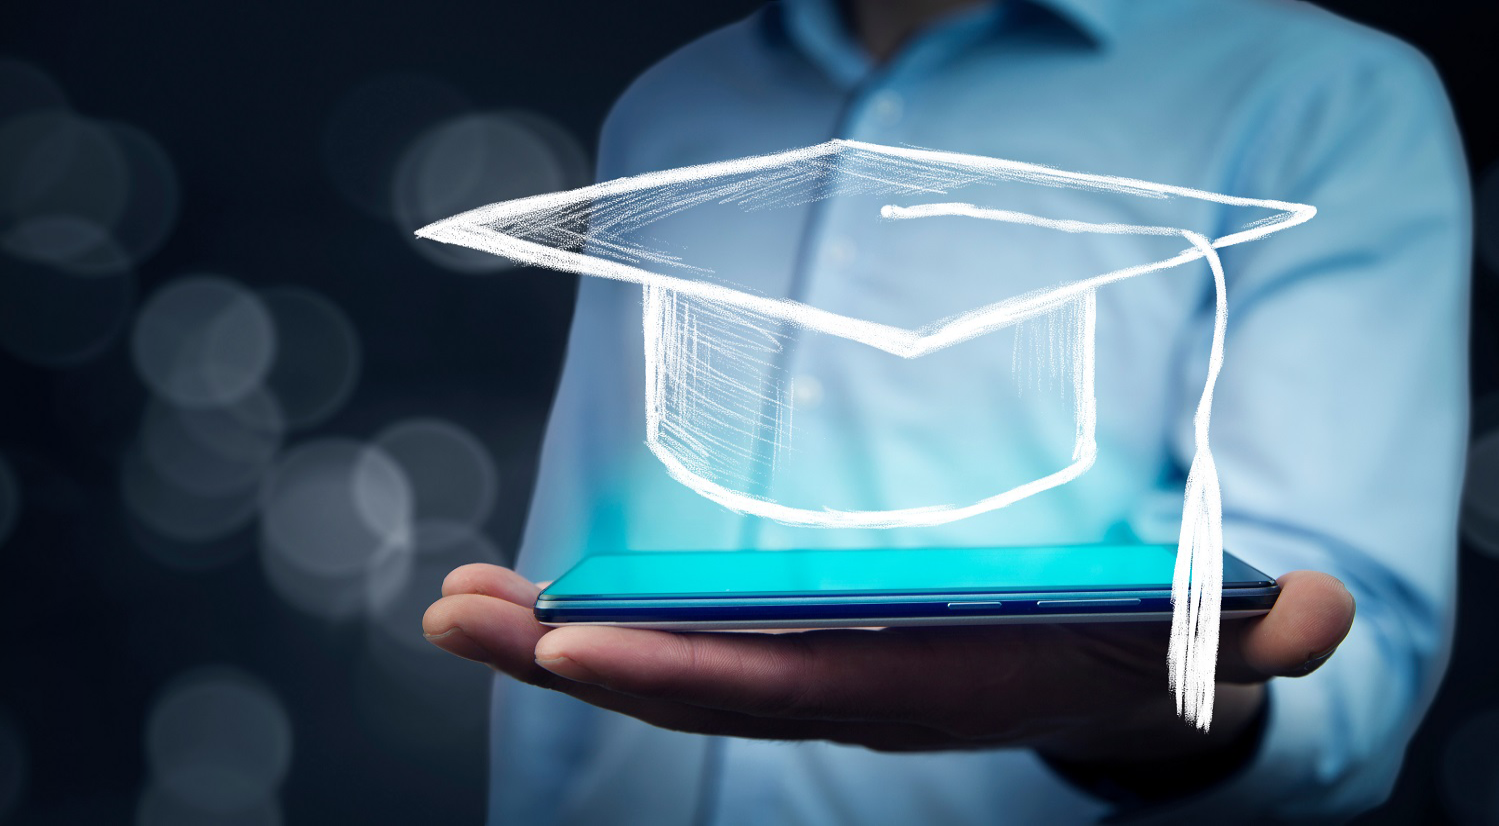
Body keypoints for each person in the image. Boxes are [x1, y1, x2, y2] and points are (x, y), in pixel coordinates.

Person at [422, 0, 1470, 822]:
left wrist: (1144, 715)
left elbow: (1344, 668)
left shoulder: (1320, 94)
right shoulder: (679, 101)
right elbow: (589, 518)